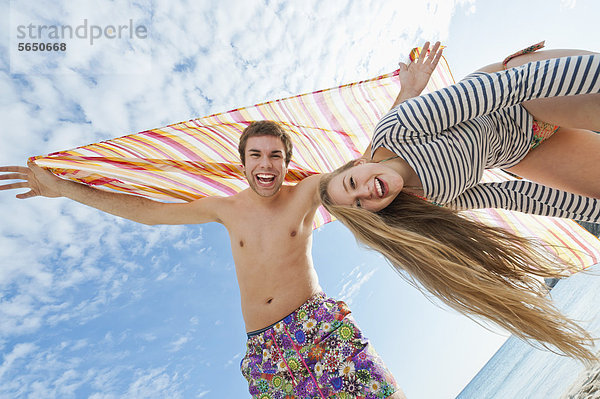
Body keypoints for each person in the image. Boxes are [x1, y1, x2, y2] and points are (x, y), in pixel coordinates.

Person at [0, 121, 404, 398]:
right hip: (265, 352)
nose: (266, 164)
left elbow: (363, 166)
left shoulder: (307, 192)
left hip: (313, 326)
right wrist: (65, 189)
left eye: (275, 156)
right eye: (257, 155)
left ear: (286, 163)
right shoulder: (224, 208)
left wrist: (408, 95)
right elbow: (148, 212)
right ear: (243, 163)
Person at [320, 42, 600, 362]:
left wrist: (408, 92)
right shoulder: (429, 199)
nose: (365, 193)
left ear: (358, 163)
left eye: (352, 184)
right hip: (526, 150)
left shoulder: (399, 128)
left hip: (523, 91)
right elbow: (510, 195)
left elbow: (509, 87)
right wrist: (595, 211)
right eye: (359, 206)